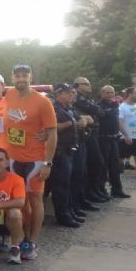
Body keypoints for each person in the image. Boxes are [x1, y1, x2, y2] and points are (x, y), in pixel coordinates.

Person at [4, 63, 57, 261]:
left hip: (35, 160)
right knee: (21, 200)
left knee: (35, 200)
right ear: (12, 78)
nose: (21, 79)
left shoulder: (42, 102)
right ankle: (22, 237)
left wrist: (48, 162)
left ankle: (32, 241)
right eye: (17, 75)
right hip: (14, 159)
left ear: (31, 77)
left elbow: (52, 134)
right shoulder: (8, 95)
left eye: (24, 75)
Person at [49, 84, 82, 228]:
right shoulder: (54, 108)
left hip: (69, 151)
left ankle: (69, 211)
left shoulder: (67, 108)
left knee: (67, 184)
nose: (71, 95)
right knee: (60, 186)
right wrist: (70, 123)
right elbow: (52, 127)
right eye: (67, 93)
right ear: (59, 94)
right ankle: (63, 216)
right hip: (60, 152)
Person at [73, 76, 111, 202]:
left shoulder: (88, 99)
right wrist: (92, 114)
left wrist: (94, 114)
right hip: (86, 135)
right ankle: (90, 192)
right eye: (86, 83)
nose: (89, 85)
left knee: (97, 164)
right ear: (77, 86)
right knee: (93, 163)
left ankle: (96, 190)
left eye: (89, 83)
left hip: (94, 133)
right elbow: (96, 110)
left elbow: (100, 112)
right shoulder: (77, 98)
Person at [98, 86, 131, 198]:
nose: (110, 95)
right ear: (102, 93)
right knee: (103, 167)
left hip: (114, 139)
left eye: (112, 93)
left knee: (115, 166)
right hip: (103, 139)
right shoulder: (99, 106)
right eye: (107, 93)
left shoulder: (115, 105)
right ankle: (101, 191)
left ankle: (117, 190)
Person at [119, 86, 136, 189]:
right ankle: (113, 179)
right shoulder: (122, 107)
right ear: (130, 94)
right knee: (120, 160)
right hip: (125, 138)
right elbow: (120, 123)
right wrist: (126, 135)